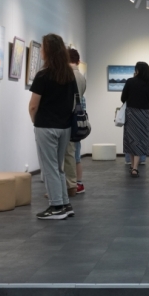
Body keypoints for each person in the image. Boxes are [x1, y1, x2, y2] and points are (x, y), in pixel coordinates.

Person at [28, 34, 77, 220]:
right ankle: (65, 203)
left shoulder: (43, 75)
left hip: (46, 126)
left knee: (49, 167)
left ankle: (56, 206)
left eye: (42, 47)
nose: (41, 50)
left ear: (48, 51)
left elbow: (33, 105)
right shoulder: (69, 75)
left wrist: (35, 121)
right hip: (65, 127)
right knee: (58, 166)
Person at [121, 62, 149, 178]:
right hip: (143, 114)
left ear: (137, 70)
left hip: (131, 114)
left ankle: (134, 167)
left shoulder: (130, 81)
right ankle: (134, 167)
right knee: (140, 140)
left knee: (131, 140)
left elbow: (123, 98)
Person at [62, 49, 87, 196]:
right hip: (78, 120)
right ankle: (78, 183)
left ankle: (70, 185)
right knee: (76, 155)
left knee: (68, 155)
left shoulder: (67, 75)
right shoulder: (82, 77)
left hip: (68, 120)